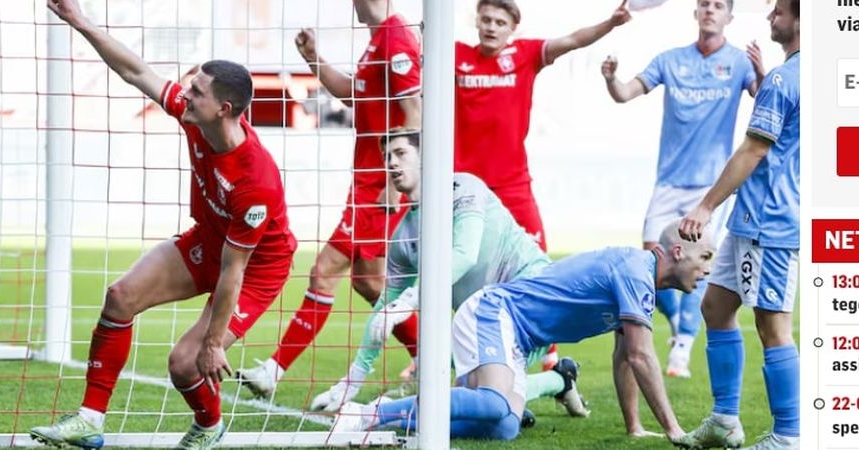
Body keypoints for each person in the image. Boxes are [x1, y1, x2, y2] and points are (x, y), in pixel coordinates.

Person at [31, 1, 298, 449]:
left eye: (198, 91)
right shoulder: (194, 116)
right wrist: (80, 21)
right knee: (120, 297)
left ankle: (209, 427)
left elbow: (234, 271)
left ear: (224, 108)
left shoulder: (256, 180)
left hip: (255, 269)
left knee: (185, 362)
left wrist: (214, 343)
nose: (185, 94)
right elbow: (135, 70)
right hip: (210, 239)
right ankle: (90, 419)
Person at [333, 222, 715, 441]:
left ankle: (398, 423)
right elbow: (640, 355)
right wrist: (675, 431)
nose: (709, 269)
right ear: (678, 253)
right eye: (705, 257)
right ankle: (369, 413)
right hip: (495, 312)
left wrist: (635, 428)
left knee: (503, 426)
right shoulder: (636, 271)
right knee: (495, 403)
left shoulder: (639, 278)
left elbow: (625, 356)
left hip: (515, 335)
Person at [308, 129, 588, 421]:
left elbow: (463, 255)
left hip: (533, 297)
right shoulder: (404, 235)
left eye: (400, 154)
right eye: (386, 157)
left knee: (480, 396)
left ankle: (544, 384)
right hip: (485, 323)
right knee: (454, 386)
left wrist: (409, 300)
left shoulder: (464, 188)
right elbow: (383, 310)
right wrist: (350, 382)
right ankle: (559, 380)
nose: (391, 163)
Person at [235, 0, 422, 396]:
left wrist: (395, 177)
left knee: (326, 272)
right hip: (369, 182)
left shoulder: (395, 39)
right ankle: (432, 358)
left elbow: (414, 111)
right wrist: (313, 59)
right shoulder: (378, 40)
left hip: (379, 186)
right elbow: (354, 95)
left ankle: (274, 369)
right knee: (370, 284)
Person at [455, 0, 631, 370]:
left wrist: (610, 23)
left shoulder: (526, 54)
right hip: (466, 191)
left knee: (540, 269)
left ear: (512, 27)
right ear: (477, 21)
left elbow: (572, 40)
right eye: (485, 19)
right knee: (454, 269)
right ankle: (446, 352)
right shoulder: (453, 57)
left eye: (499, 21)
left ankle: (549, 355)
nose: (491, 26)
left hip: (513, 186)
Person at [601, 0, 765, 378]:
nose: (710, 9)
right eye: (704, 4)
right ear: (696, 13)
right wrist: (611, 78)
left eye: (718, 5)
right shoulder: (670, 60)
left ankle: (684, 346)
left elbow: (763, 101)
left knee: (695, 260)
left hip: (710, 185)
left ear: (729, 17)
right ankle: (678, 326)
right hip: (668, 181)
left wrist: (760, 72)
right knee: (651, 265)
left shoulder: (738, 62)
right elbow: (625, 93)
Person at [674, 1, 799, 449]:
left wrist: (705, 207)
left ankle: (789, 436)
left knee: (773, 326)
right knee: (716, 307)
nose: (770, 18)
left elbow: (754, 150)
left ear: (802, 21)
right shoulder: (799, 75)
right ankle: (726, 420)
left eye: (780, 11)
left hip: (771, 223)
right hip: (751, 219)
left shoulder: (787, 79)